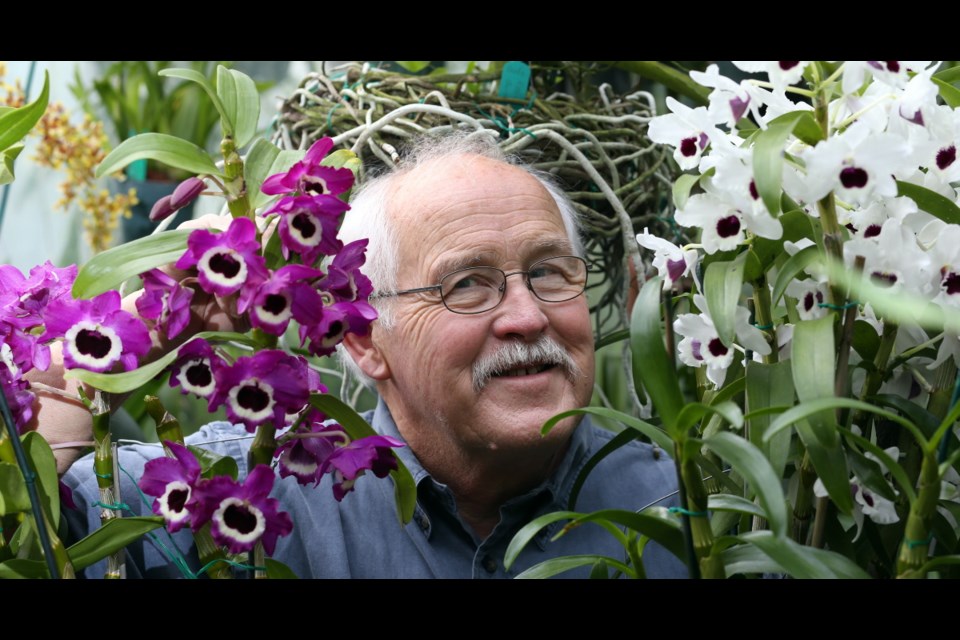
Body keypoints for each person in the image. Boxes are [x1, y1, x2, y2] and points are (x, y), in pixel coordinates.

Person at [46, 131, 686, 578]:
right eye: (465, 284)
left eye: (549, 272)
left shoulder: (678, 508)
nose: (527, 316)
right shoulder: (230, 487)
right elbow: (32, 523)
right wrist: (105, 358)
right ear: (363, 338)